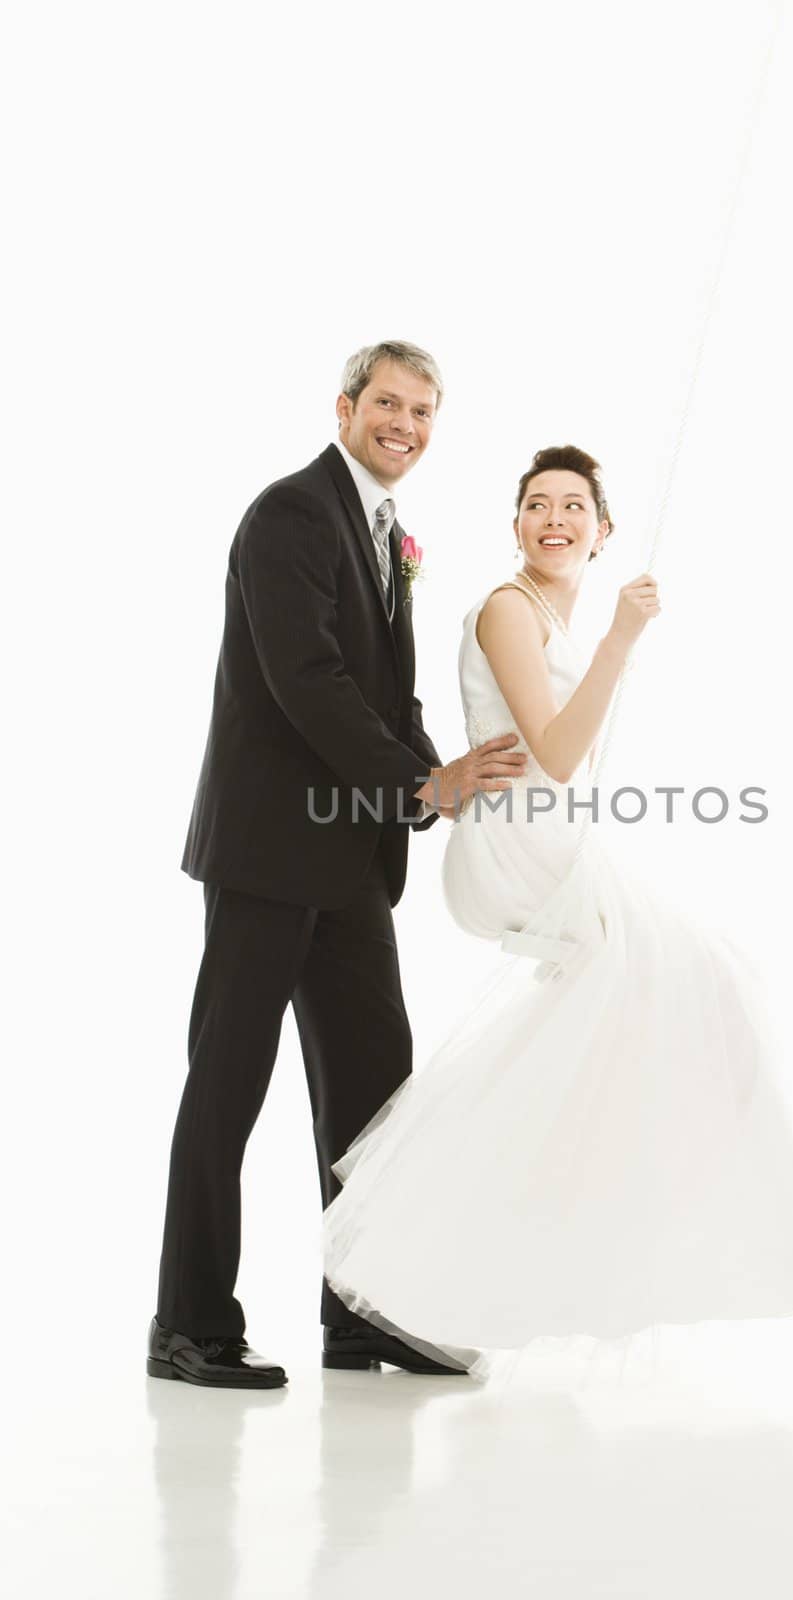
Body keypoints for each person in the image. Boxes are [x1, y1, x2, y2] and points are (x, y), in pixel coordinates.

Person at [321, 444, 793, 1377]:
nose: (553, 518)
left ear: (601, 533)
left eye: (573, 506)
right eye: (536, 505)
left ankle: (564, 1217)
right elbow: (557, 755)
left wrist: (603, 644)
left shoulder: (553, 616)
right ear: (516, 525)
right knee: (688, 972)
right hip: (518, 840)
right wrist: (620, 639)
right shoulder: (505, 609)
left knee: (668, 998)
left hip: (561, 834)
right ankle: (582, 1212)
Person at [149, 341, 528, 1388]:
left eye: (423, 411)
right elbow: (305, 679)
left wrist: (441, 780)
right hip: (269, 853)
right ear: (346, 407)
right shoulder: (289, 515)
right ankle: (187, 1324)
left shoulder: (389, 534)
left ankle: (362, 1315)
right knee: (228, 1084)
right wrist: (419, 785)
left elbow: (385, 695)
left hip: (353, 860)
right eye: (388, 403)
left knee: (374, 1091)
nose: (404, 424)